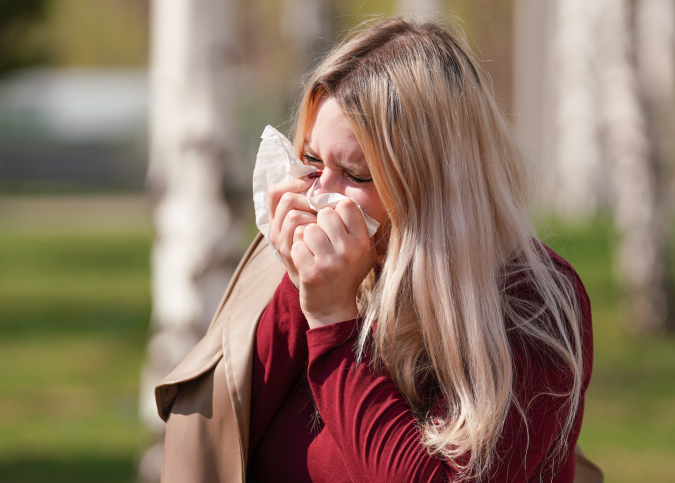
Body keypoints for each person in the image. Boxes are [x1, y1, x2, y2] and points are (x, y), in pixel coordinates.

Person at [155, 17, 598, 483]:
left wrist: (332, 321)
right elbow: (222, 426)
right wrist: (297, 287)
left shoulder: (532, 305)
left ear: (435, 186)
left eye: (356, 174)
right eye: (311, 160)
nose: (320, 194)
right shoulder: (315, 273)